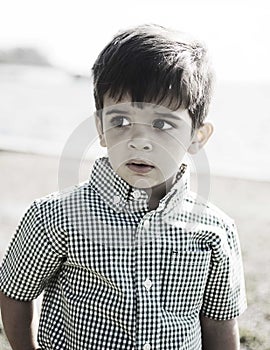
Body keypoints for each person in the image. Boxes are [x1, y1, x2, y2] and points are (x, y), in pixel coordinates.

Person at [0, 24, 246, 350]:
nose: (139, 142)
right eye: (121, 121)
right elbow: (15, 293)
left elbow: (219, 324)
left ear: (197, 137)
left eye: (162, 124)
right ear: (100, 128)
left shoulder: (215, 229)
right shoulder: (54, 216)